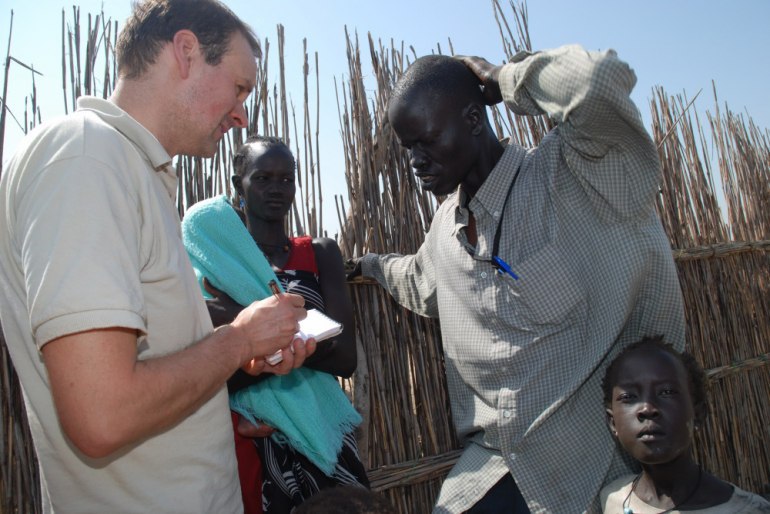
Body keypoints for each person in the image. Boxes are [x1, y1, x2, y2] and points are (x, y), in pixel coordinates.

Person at [0, 1, 315, 512]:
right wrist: (237, 342)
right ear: (186, 52)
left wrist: (223, 390)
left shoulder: (128, 170)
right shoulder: (85, 157)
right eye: (238, 87)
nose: (242, 115)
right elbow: (103, 415)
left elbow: (140, 371)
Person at [347, 48, 685, 513]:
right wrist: (368, 265)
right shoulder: (446, 231)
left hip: (591, 476)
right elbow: (418, 281)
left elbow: (599, 79)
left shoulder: (575, 177)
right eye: (409, 150)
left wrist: (505, 78)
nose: (416, 162)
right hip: (490, 470)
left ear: (472, 118)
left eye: (426, 141)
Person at [199, 135, 368, 513]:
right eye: (262, 178)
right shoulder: (219, 265)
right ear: (237, 184)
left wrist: (244, 325)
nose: (277, 189)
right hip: (251, 438)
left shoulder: (318, 252)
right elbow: (218, 371)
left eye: (286, 179)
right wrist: (308, 338)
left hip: (321, 427)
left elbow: (344, 358)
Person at [601, 335, 770, 513]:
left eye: (666, 392)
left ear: (697, 416)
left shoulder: (746, 510)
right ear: (613, 423)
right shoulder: (612, 500)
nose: (647, 408)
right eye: (629, 397)